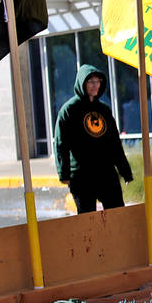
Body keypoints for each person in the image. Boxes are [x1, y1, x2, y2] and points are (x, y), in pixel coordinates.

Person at [55, 64, 133, 214]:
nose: (95, 85)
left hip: (106, 173)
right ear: (82, 83)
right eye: (91, 81)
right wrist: (64, 174)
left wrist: (125, 171)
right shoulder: (69, 110)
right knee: (87, 221)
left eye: (98, 81)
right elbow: (61, 143)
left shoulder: (104, 109)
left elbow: (115, 143)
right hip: (81, 176)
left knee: (117, 215)